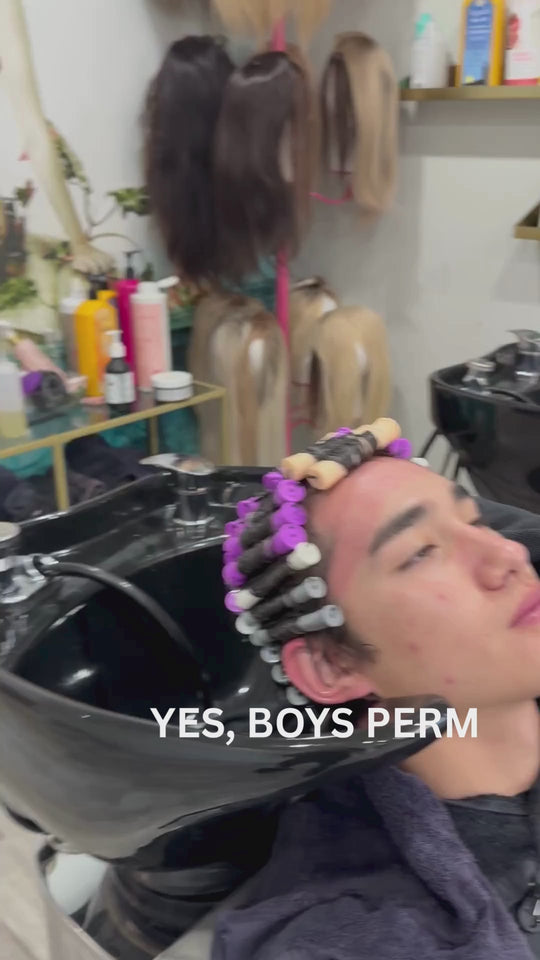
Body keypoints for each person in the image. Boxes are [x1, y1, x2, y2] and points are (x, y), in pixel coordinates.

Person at [212, 449, 540, 960]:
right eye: (420, 552)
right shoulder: (351, 932)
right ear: (331, 666)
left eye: (475, 520)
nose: (509, 555)